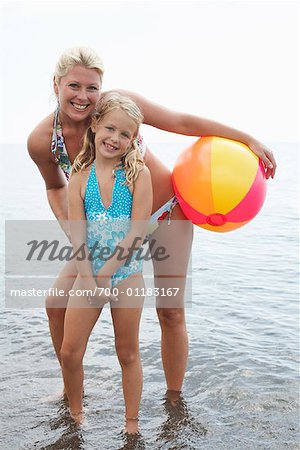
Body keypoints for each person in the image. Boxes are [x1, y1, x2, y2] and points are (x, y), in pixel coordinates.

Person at [27, 47, 277, 403]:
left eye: (91, 88)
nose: (83, 97)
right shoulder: (42, 141)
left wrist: (246, 138)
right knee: (56, 303)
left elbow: (180, 121)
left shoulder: (119, 106)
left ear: (101, 88)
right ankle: (71, 390)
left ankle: (175, 401)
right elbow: (55, 186)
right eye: (73, 86)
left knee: (170, 311)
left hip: (166, 214)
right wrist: (75, 234)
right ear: (56, 84)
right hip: (109, 233)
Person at [61, 92, 152, 432]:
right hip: (89, 274)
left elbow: (136, 235)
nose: (116, 138)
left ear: (133, 140)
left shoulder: (138, 176)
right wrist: (88, 279)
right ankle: (75, 414)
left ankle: (131, 424)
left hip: (125, 274)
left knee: (126, 352)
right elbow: (78, 236)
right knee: (71, 352)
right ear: (96, 125)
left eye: (125, 134)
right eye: (110, 128)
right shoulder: (79, 177)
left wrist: (105, 276)